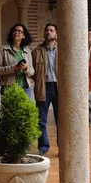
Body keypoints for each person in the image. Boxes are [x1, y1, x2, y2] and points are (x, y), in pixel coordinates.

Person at [32, 23, 58, 156]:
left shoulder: (63, 51)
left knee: (62, 120)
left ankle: (63, 145)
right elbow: (31, 71)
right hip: (44, 87)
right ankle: (43, 146)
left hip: (60, 89)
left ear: (56, 34)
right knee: (41, 119)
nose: (48, 32)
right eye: (46, 30)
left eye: (51, 30)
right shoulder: (36, 52)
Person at [0, 23, 35, 100]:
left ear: (24, 36)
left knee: (25, 111)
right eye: (15, 30)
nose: (16, 32)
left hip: (25, 88)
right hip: (9, 88)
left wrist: (26, 68)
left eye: (20, 31)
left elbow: (32, 72)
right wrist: (13, 67)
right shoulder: (2, 50)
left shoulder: (27, 50)